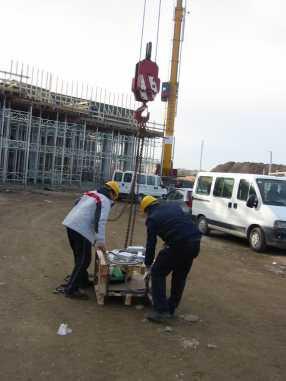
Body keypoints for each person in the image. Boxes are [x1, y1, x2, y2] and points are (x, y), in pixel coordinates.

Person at [141, 195, 201, 323]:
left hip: (179, 244)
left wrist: (148, 264)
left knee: (157, 272)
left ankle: (161, 311)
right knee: (180, 275)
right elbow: (183, 222)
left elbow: (151, 243)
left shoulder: (152, 218)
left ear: (147, 210)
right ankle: (171, 308)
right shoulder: (173, 206)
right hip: (194, 241)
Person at [62, 181, 120, 299]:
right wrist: (100, 242)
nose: (113, 200)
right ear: (112, 193)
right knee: (84, 260)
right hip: (81, 229)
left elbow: (76, 203)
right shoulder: (105, 200)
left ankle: (82, 281)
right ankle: (71, 290)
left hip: (71, 224)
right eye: (115, 198)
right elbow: (101, 221)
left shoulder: (90, 193)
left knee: (80, 257)